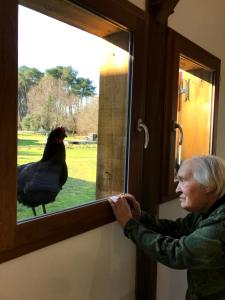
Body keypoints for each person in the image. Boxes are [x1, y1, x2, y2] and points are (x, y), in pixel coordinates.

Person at [109, 155, 225, 299]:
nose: (177, 189)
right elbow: (177, 229)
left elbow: (177, 253)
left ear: (209, 185)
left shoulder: (221, 224)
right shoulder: (209, 209)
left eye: (182, 180)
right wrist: (140, 217)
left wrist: (129, 225)